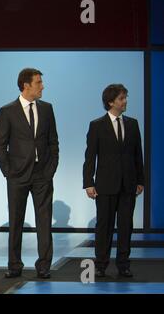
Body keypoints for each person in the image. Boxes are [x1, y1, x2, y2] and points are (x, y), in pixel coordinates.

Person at [0, 68, 59, 279]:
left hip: (42, 175)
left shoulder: (47, 109)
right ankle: (14, 265)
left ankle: (44, 266)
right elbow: (0, 145)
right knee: (16, 221)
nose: (43, 86)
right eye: (39, 82)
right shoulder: (8, 111)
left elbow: (53, 142)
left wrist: (51, 169)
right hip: (17, 175)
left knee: (44, 220)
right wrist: (8, 172)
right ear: (26, 85)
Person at [83, 84, 144, 278]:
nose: (125, 101)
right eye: (121, 98)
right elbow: (90, 157)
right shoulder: (96, 125)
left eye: (125, 97)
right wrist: (88, 182)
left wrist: (140, 180)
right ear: (111, 102)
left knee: (126, 226)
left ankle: (123, 264)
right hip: (105, 185)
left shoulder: (133, 124)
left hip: (128, 185)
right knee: (104, 226)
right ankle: (100, 265)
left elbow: (138, 156)